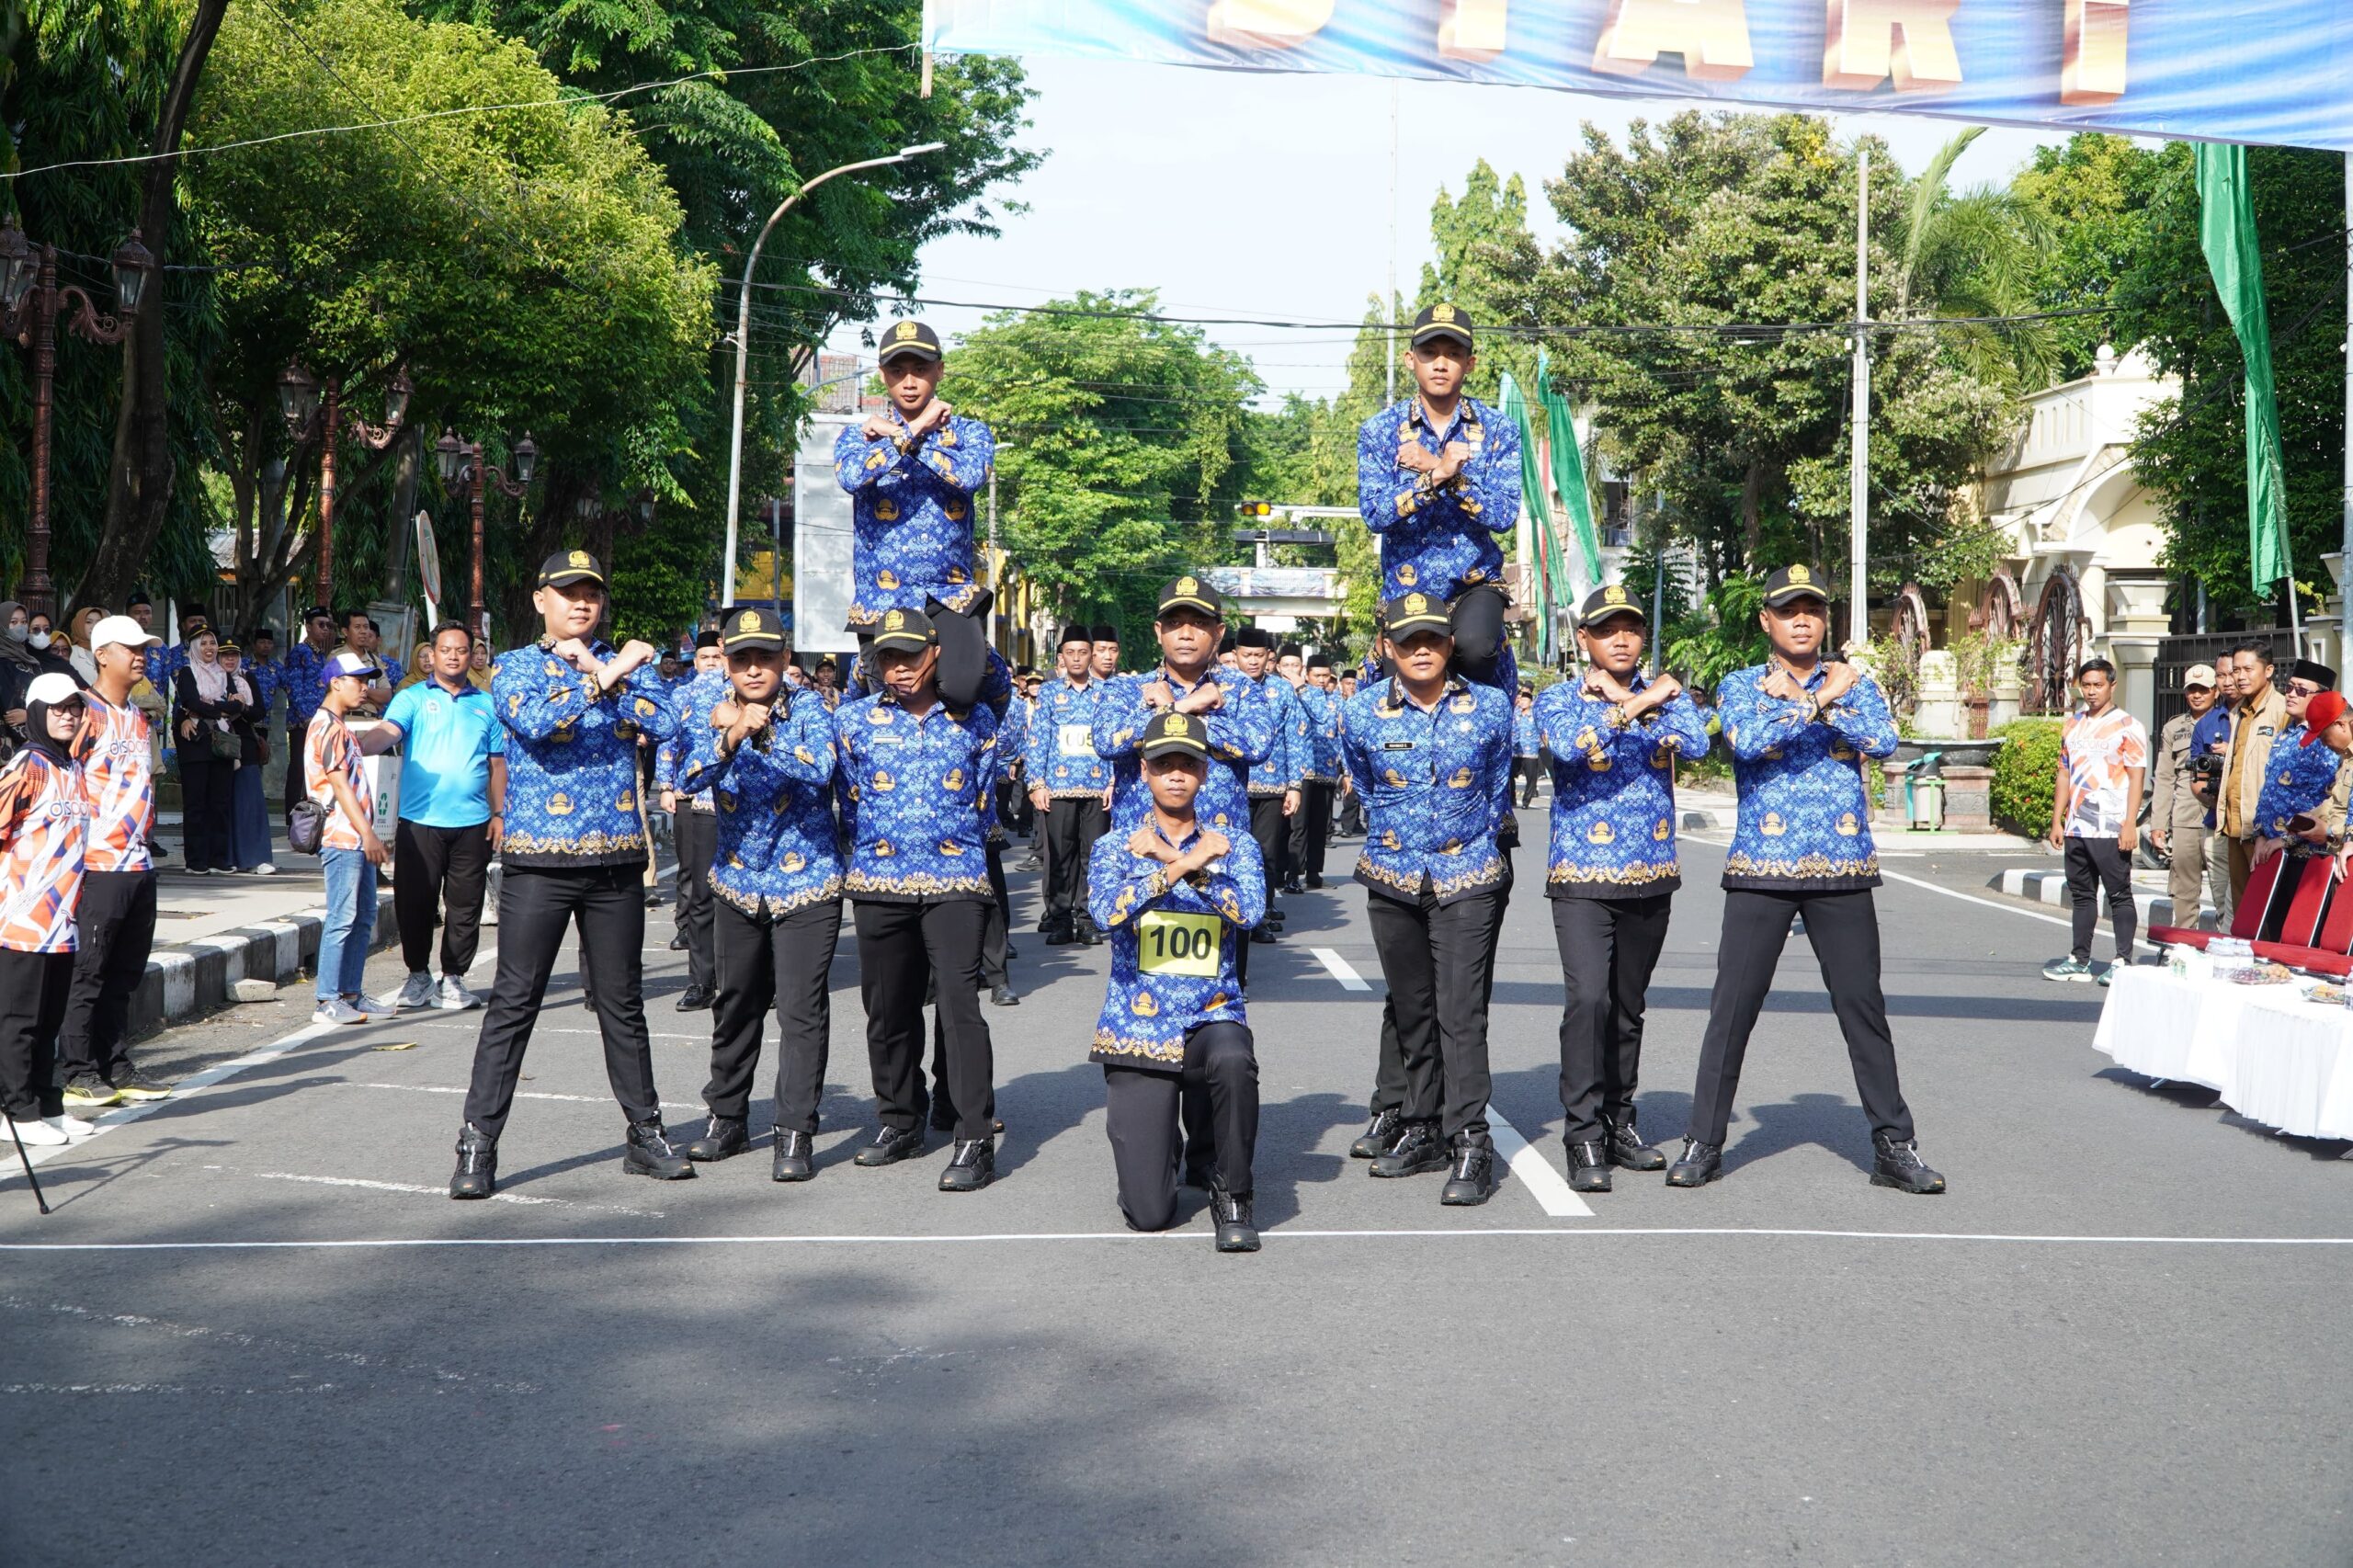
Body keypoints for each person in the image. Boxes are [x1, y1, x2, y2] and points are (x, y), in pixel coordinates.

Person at [1668, 564, 1942, 1194]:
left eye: (1812, 610)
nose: (1801, 621)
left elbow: (1883, 739)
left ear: (1825, 619)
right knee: (1732, 1010)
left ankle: (1894, 1146)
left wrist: (1827, 697)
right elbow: (1746, 739)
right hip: (1761, 868)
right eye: (1788, 611)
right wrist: (1819, 700)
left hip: (1843, 867)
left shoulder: (1857, 684)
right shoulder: (1742, 684)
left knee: (1863, 1008)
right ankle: (1704, 1142)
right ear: (1766, 620)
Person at [449, 550, 693, 1199]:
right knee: (514, 1003)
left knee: (623, 1003)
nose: (581, 603)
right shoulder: (516, 666)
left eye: (590, 593)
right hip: (540, 861)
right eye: (567, 592)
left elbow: (667, 723)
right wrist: (606, 675)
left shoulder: (626, 664)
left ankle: (645, 1135)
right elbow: (535, 720)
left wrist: (610, 673)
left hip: (616, 860)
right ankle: (477, 1144)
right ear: (541, 601)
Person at [1337, 592, 1515, 1205]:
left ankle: (1470, 1142)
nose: (1421, 651)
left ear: (1449, 644)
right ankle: (1421, 1126)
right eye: (1408, 641)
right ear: (1388, 647)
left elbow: (1497, 788)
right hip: (1392, 875)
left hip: (1467, 875)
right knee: (1411, 1012)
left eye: (1433, 639)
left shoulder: (1489, 706)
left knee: (1460, 1013)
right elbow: (1365, 785)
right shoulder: (1361, 713)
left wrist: (1465, 847)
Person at [1535, 584, 1711, 1192]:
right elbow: (1570, 747)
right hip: (1581, 875)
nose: (1621, 639)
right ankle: (1582, 1132)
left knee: (1628, 1006)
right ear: (1584, 638)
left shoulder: (1668, 696)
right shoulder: (1559, 699)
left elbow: (1697, 743)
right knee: (1589, 1002)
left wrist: (1647, 701)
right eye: (1607, 629)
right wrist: (1632, 705)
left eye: (1630, 628)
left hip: (1651, 873)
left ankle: (1618, 1119)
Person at [832, 606, 1002, 1191]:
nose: (899, 668)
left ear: (935, 655)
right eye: (887, 657)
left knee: (959, 1005)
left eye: (910, 655)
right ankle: (900, 1119)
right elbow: (849, 800)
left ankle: (974, 1137)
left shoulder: (976, 719)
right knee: (888, 1008)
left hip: (957, 879)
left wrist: (960, 618)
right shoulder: (853, 721)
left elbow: (985, 800)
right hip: (879, 880)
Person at [673, 607, 845, 1178]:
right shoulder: (707, 708)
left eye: (764, 658)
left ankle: (794, 1131)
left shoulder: (811, 709)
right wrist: (730, 735)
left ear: (784, 659)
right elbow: (686, 779)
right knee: (736, 1004)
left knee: (800, 1010)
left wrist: (761, 730)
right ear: (726, 662)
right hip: (737, 880)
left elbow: (821, 769)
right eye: (741, 659)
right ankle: (727, 1117)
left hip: (807, 882)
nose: (753, 669)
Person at [1086, 710, 1264, 1251]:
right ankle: (1164, 1145)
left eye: (1188, 765)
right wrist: (1174, 864)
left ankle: (1234, 1194)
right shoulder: (1117, 846)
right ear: (1145, 771)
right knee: (1149, 1214)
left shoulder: (1234, 845)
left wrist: (1194, 866)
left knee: (1233, 1059)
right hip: (1138, 1024)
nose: (1177, 775)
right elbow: (1105, 913)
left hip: (1212, 1013)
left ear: (1204, 773)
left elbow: (1250, 912)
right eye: (1164, 765)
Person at [1354, 304, 1523, 696]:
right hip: (1407, 588)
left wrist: (1446, 474)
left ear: (1470, 363)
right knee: (1399, 693)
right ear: (1410, 359)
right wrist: (1433, 478)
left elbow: (1503, 514)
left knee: (1476, 649)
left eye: (1453, 354)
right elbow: (1374, 513)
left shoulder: (1500, 429)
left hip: (1474, 584)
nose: (1441, 364)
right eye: (1430, 353)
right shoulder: (1380, 431)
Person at [833, 320, 999, 711]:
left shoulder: (971, 434)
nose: (909, 382)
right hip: (881, 597)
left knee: (963, 690)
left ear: (939, 370)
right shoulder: (859, 436)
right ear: (882, 375)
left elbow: (971, 475)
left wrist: (910, 435)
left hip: (949, 594)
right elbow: (851, 476)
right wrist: (909, 432)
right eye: (898, 371)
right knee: (887, 705)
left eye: (920, 370)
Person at [53, 618, 170, 1110]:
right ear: (102, 654)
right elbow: (61, 778)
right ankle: (76, 1071)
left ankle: (115, 1063)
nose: (140, 656)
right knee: (89, 972)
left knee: (124, 973)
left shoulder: (137, 716)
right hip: (96, 864)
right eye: (131, 648)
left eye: (144, 648)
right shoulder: (85, 713)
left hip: (137, 863)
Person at [379, 622, 506, 1013]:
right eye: (446, 650)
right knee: (414, 903)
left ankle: (453, 978)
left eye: (461, 650)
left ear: (472, 656)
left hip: (473, 822)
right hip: (419, 821)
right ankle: (418, 975)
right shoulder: (412, 697)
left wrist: (499, 813)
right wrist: (357, 742)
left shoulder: (487, 705)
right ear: (432, 655)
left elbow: (497, 764)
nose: (453, 656)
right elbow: (389, 731)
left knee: (465, 906)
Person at [0, 674, 95, 1147]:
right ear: (37, 712)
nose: (68, 716)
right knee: (20, 1021)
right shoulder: (27, 766)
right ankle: (16, 1110)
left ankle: (46, 1103)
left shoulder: (72, 766)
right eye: (58, 708)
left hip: (63, 920)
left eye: (75, 708)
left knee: (49, 1020)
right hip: (22, 919)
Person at [2040, 658, 2148, 986]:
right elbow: (2064, 773)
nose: (2091, 691)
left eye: (2098, 685)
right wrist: (2057, 820)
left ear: (2112, 685)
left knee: (2118, 894)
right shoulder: (2072, 724)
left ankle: (2122, 960)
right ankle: (2079, 960)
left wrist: (2130, 823)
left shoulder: (2128, 726)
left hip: (2110, 825)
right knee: (2082, 895)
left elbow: (2136, 776)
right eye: (2086, 685)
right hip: (2077, 825)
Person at [307, 651, 394, 1025]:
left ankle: (351, 994)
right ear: (335, 682)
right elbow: (340, 786)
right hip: (343, 837)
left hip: (355, 837)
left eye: (367, 681)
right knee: (342, 917)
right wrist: (369, 834)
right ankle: (327, 1000)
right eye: (358, 681)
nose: (364, 688)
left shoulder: (339, 726)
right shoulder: (327, 726)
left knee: (363, 916)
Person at [1027, 625, 1110, 947]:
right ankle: (1060, 919)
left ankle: (1086, 919)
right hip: (1058, 787)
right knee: (1060, 855)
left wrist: (1113, 781)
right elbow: (1039, 740)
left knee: (1093, 855)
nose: (1076, 658)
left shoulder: (1106, 693)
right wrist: (1036, 783)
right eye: (1070, 653)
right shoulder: (1049, 693)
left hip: (1097, 787)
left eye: (1083, 652)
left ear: (1092, 655)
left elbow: (1113, 739)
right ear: (1061, 656)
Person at [658, 631, 727, 1009]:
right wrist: (667, 785)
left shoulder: (759, 689)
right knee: (700, 892)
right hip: (700, 800)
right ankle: (701, 982)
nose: (714, 662)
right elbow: (669, 742)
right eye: (708, 657)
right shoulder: (685, 694)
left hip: (748, 803)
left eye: (719, 655)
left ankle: (757, 980)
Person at [1233, 628, 1302, 943]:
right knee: (1232, 852)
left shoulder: (1282, 690)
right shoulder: (1222, 687)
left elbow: (1294, 738)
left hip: (1273, 786)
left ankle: (1259, 914)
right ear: (1236, 655)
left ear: (1268, 657)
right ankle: (1231, 913)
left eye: (1259, 656)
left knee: (1266, 854)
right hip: (1232, 786)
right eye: (1246, 655)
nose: (1252, 661)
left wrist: (1294, 786)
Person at [2147, 665, 2222, 927]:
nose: (2197, 695)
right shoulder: (2174, 728)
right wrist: (2158, 823)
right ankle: (2184, 940)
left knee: (2223, 888)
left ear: (2215, 691)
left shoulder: (2228, 721)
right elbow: (2164, 778)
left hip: (2218, 814)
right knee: (2184, 889)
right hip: (2185, 817)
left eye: (2204, 690)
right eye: (2192, 690)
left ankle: (2224, 942)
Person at [2251, 659, 2340, 864]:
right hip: (2269, 849)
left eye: (2301, 690)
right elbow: (2268, 790)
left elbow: (2327, 802)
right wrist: (2260, 835)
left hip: (2305, 853)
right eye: (2289, 687)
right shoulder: (2285, 734)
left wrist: (2288, 840)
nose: (2291, 694)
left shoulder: (2325, 739)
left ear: (2321, 696)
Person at [2216, 640, 2285, 903]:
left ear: (2268, 671)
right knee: (2242, 906)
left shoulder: (2282, 711)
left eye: (2248, 669)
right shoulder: (2238, 710)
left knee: (2264, 905)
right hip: (2235, 826)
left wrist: (2269, 829)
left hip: (2263, 830)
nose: (2240, 677)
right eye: (2236, 670)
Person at [171, 628, 241, 875]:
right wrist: (220, 708)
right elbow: (191, 701)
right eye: (203, 643)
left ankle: (218, 858)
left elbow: (237, 706)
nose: (209, 648)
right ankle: (195, 860)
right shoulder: (187, 672)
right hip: (196, 745)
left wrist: (211, 707)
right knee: (196, 804)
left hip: (221, 744)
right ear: (194, 647)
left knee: (220, 803)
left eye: (212, 643)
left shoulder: (223, 673)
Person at [216, 642, 276, 875]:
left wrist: (241, 707)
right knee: (223, 805)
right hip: (218, 746)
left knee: (249, 804)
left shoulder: (246, 677)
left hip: (245, 747)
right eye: (225, 656)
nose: (230, 660)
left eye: (234, 655)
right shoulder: (209, 678)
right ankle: (226, 858)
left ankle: (257, 857)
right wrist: (229, 705)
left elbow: (259, 711)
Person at [1287, 650, 1340, 891]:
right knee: (1298, 827)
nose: (1321, 680)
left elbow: (1341, 735)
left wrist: (1347, 772)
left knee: (1319, 826)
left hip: (1326, 770)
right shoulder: (1296, 694)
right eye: (1317, 675)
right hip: (1302, 770)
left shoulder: (1335, 700)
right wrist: (1301, 688)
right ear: (1306, 674)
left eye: (1326, 675)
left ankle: (1314, 873)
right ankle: (1292, 874)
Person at [2193, 659, 2238, 926]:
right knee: (2222, 904)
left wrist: (2232, 752)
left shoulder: (2269, 717)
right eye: (2221, 675)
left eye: (2234, 673)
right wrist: (2213, 797)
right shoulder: (2206, 724)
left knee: (2245, 903)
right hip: (2216, 825)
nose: (2228, 681)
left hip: (2251, 829)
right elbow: (2197, 779)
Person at [282, 607, 336, 824]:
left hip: (319, 721)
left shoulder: (321, 654)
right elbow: (293, 688)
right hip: (302, 723)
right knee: (298, 770)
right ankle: (293, 822)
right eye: (320, 624)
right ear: (308, 627)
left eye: (328, 625)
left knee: (314, 770)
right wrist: (306, 718)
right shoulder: (300, 652)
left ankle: (311, 820)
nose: (325, 629)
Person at [1512, 686, 1543, 809]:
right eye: (1521, 700)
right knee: (1509, 776)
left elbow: (1542, 731)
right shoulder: (1515, 713)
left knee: (1531, 778)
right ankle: (1512, 799)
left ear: (1531, 702)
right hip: (1515, 751)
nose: (1522, 702)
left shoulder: (1535, 715)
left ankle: (1526, 802)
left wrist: (1540, 744)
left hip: (1531, 751)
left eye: (1525, 700)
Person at [65, 606, 105, 687]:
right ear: (79, 625)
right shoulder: (69, 652)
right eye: (89, 622)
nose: (94, 626)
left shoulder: (110, 652)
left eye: (98, 622)